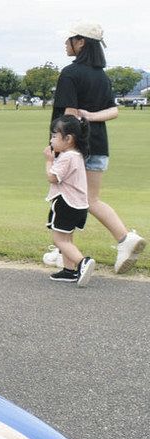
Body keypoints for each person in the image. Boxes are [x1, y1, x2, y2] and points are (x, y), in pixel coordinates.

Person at [45, 23, 143, 274]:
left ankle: (120, 239)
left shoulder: (70, 73)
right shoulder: (102, 75)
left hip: (74, 149)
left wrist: (57, 148)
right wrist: (91, 116)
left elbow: (67, 116)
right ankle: (63, 251)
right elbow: (113, 111)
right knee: (88, 199)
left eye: (69, 39)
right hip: (99, 145)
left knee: (67, 198)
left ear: (81, 43)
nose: (65, 44)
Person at [43, 115, 94, 286]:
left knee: (59, 240)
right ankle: (69, 271)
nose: (51, 140)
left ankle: (82, 262)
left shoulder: (66, 157)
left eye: (54, 136)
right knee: (67, 238)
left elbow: (52, 177)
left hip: (66, 203)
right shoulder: (77, 155)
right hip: (79, 205)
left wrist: (49, 161)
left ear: (69, 139)